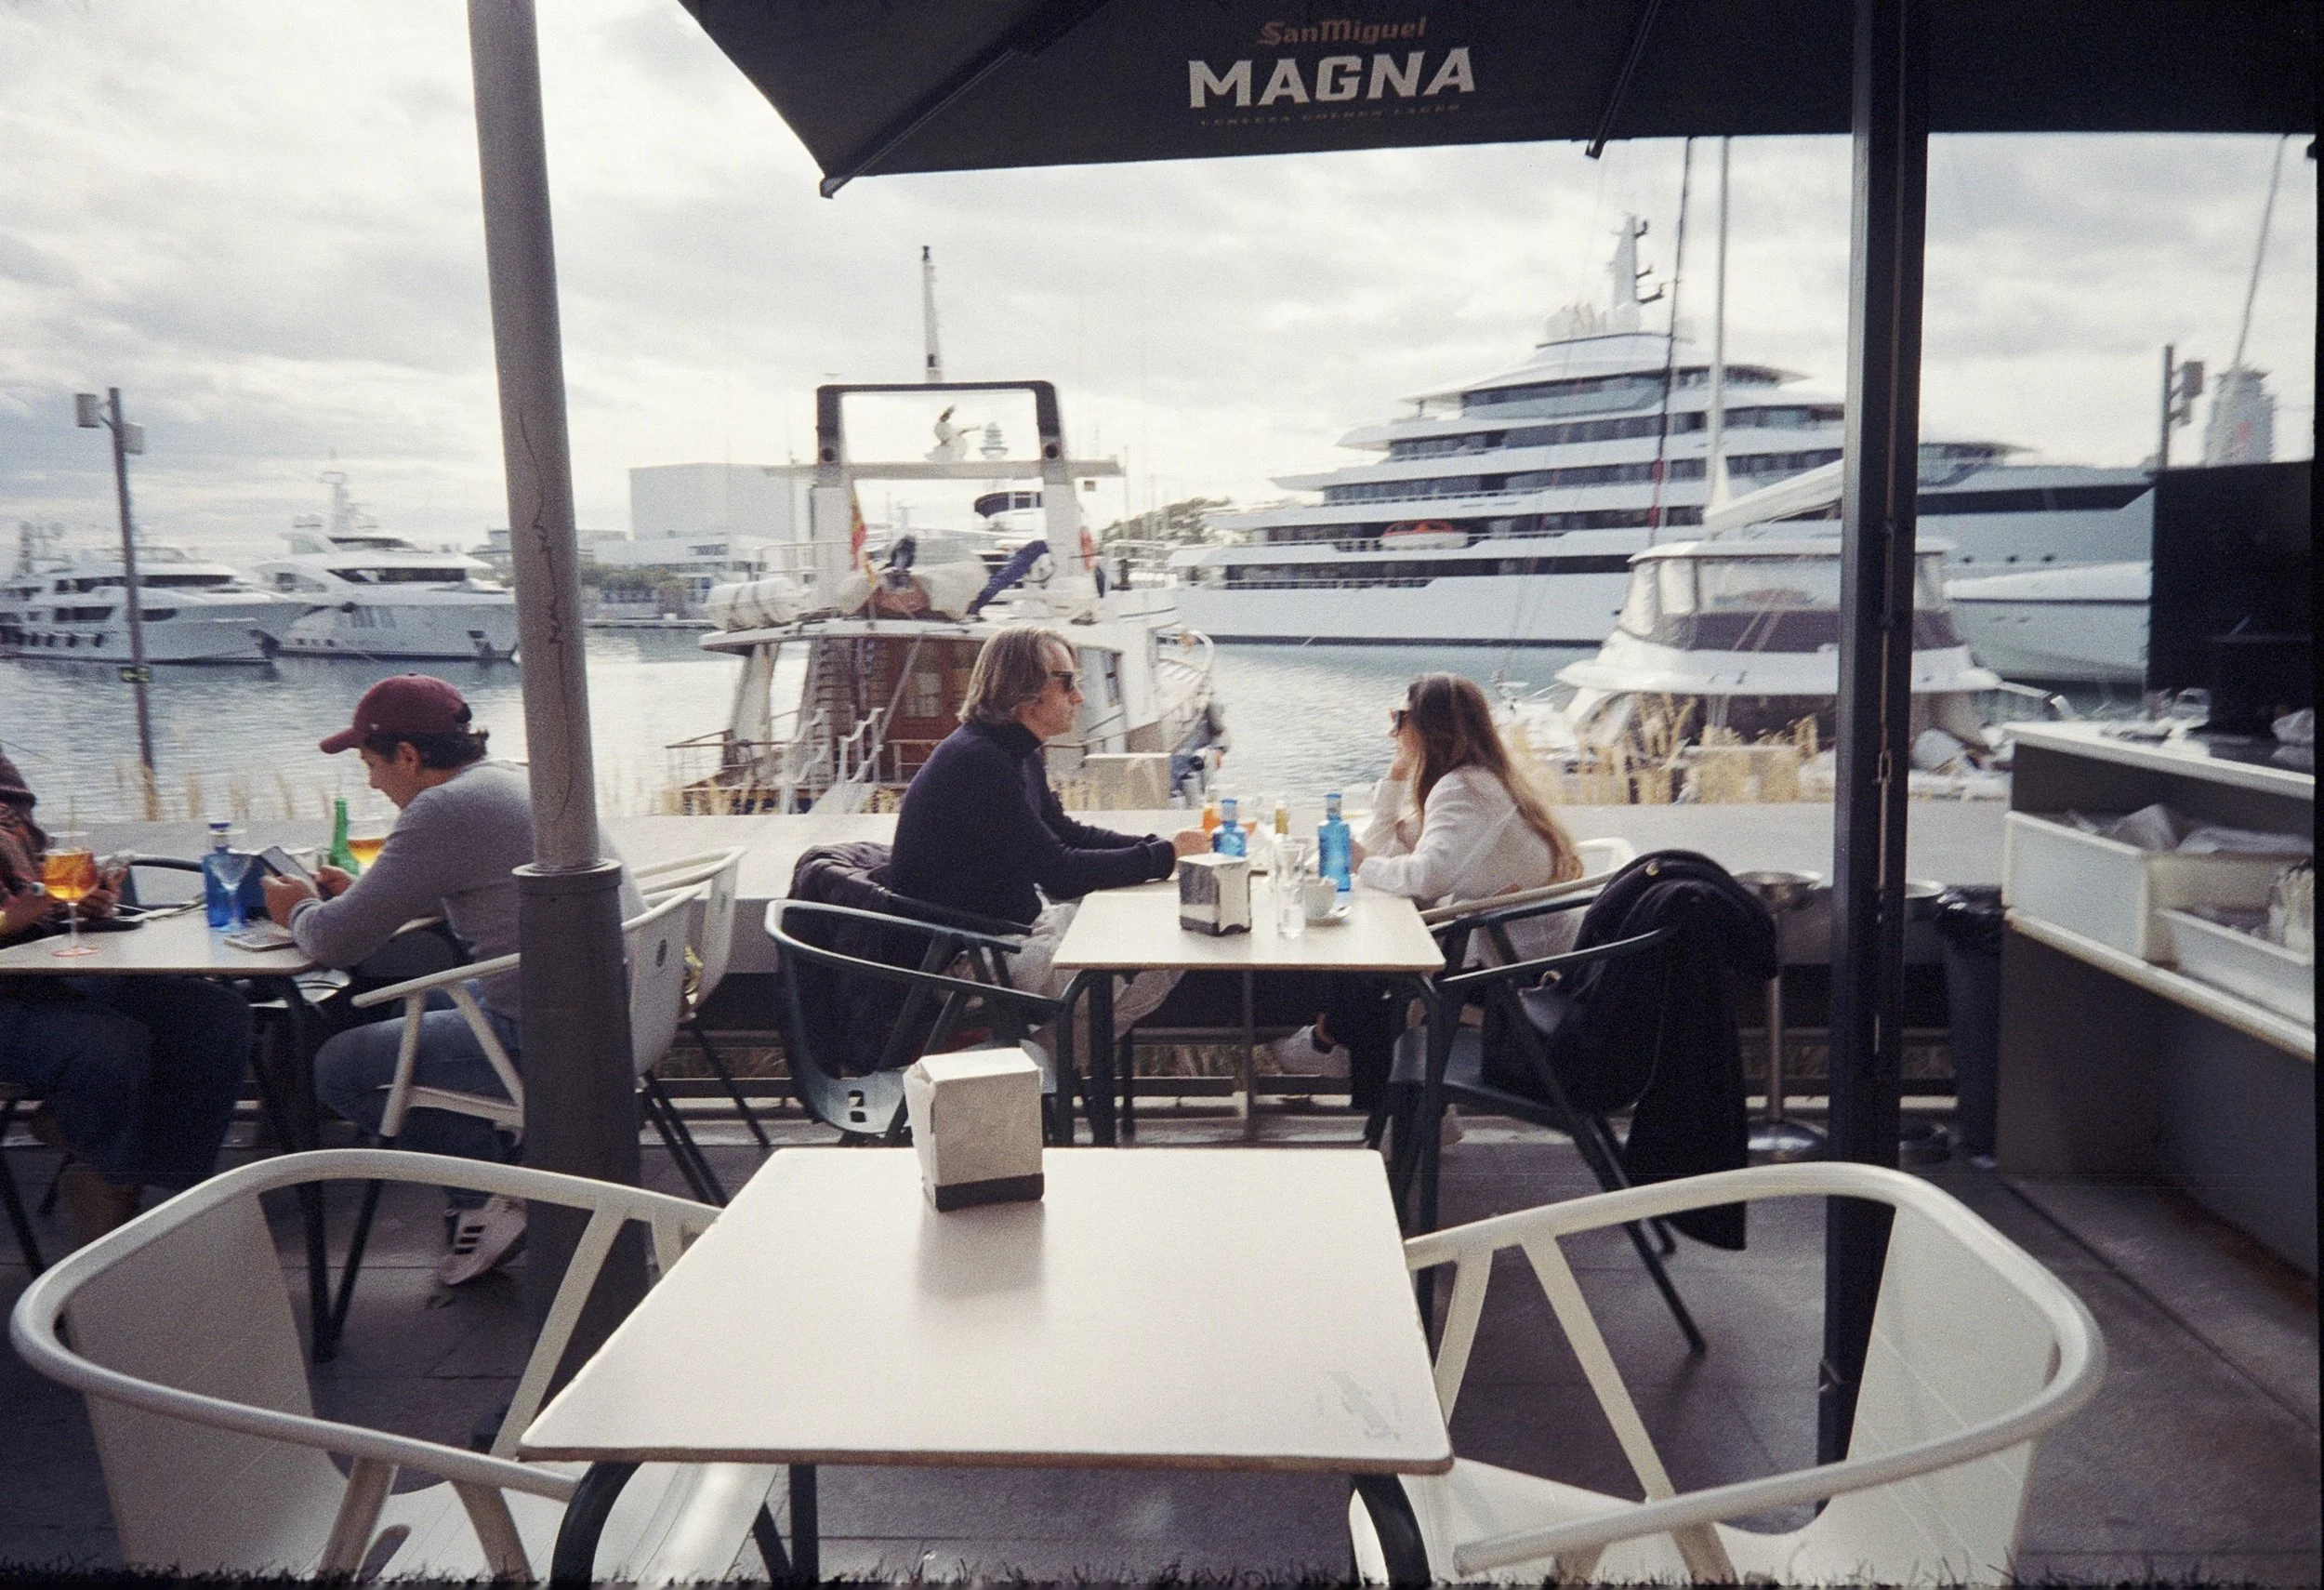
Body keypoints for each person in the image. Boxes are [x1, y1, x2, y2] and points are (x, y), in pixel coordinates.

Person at [261, 674, 637, 1285]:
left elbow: (333, 943)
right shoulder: (506, 778)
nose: (371, 782)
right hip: (616, 1008)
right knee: (409, 1012)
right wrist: (367, 895)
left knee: (338, 1068)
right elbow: (471, 880)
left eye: (371, 764)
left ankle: (489, 1198)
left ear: (408, 756)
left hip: (554, 1037)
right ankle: (500, 1184)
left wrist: (297, 908)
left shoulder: (443, 808)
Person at [1273, 672, 1585, 1111]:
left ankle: (1340, 1055)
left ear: (1427, 727)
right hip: (1516, 950)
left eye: (1398, 719)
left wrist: (1361, 863)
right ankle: (1353, 1064)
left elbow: (1425, 878)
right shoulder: (1479, 780)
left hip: (1512, 971)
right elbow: (1386, 847)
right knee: (1371, 954)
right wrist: (1395, 778)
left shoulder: (1464, 790)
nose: (1391, 732)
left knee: (1372, 963)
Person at [0, 752, 252, 1245]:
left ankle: (160, 1181)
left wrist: (82, 904)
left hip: (45, 975)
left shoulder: (7, 792)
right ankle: (111, 1181)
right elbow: (19, 908)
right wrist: (20, 915)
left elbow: (38, 883)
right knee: (109, 1043)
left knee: (214, 1014)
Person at [890, 625, 1208, 1013]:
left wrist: (1164, 847)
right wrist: (1165, 856)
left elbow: (1067, 834)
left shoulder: (1014, 751)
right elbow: (1060, 872)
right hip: (968, 959)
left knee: (1151, 936)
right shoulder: (980, 762)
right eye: (1068, 682)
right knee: (1162, 956)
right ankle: (1043, 1051)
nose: (1079, 696)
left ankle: (1053, 1047)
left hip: (1004, 932)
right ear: (1024, 691)